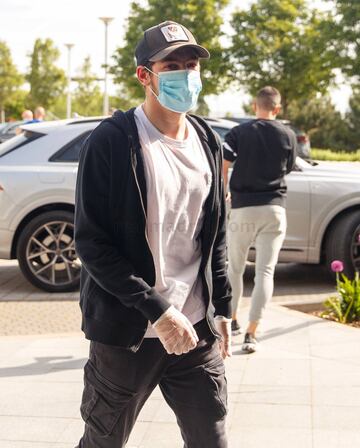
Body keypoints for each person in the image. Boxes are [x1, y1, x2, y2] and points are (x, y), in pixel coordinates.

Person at [74, 21, 232, 448]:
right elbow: (91, 242)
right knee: (103, 441)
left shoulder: (207, 140)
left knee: (211, 439)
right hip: (130, 333)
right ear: (145, 75)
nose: (187, 74)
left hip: (195, 329)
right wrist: (158, 311)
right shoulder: (111, 142)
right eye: (174, 65)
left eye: (192, 64)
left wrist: (223, 305)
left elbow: (214, 235)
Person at [223, 86, 296, 353]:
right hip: (274, 210)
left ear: (255, 106)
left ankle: (231, 321)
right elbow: (287, 167)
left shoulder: (239, 133)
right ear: (277, 109)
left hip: (243, 208)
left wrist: (225, 192)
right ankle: (252, 333)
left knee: (235, 269)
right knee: (265, 272)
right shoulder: (288, 134)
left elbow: (224, 163)